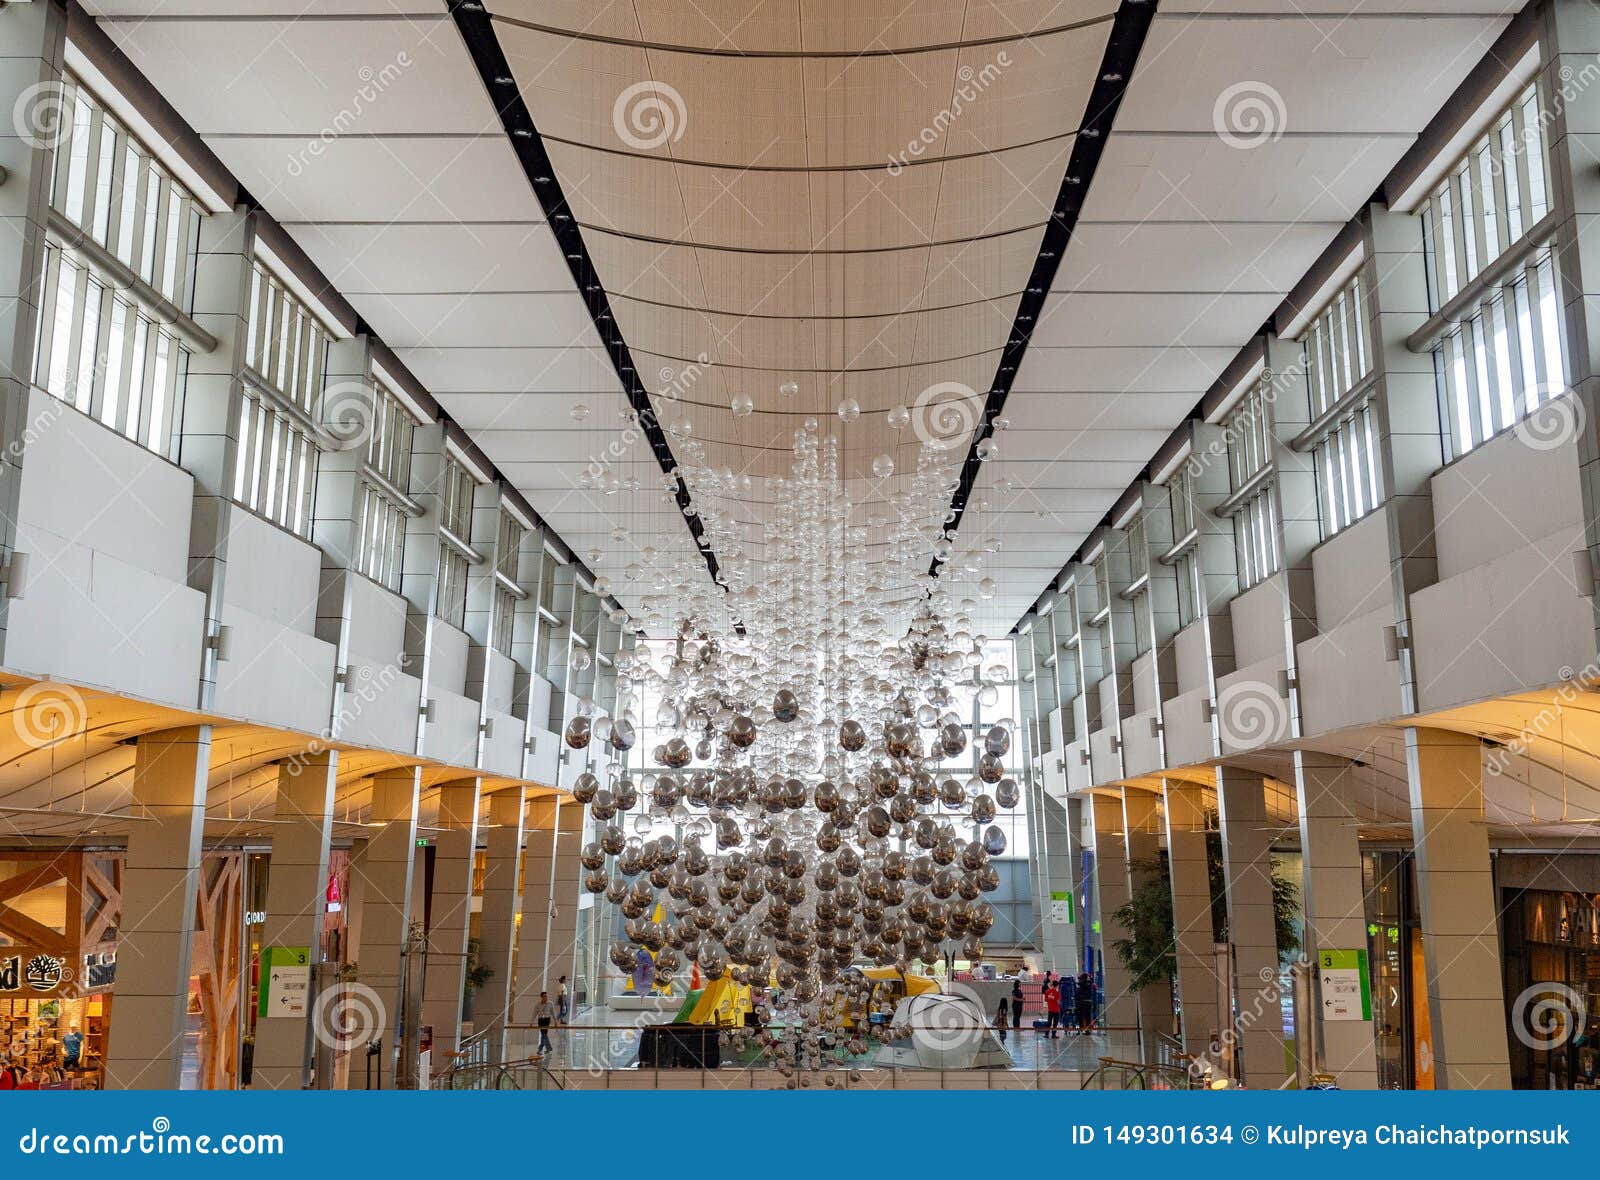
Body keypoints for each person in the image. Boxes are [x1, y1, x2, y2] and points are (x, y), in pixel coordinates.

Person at [533, 991, 555, 1056]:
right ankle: (548, 1048)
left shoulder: (550, 1003)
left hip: (547, 1020)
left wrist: (555, 1021)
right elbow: (534, 1013)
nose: (546, 997)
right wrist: (531, 1022)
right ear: (541, 997)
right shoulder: (538, 1004)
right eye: (545, 996)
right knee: (544, 1035)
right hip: (540, 1020)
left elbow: (553, 1012)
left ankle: (540, 1049)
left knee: (544, 1034)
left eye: (547, 996)